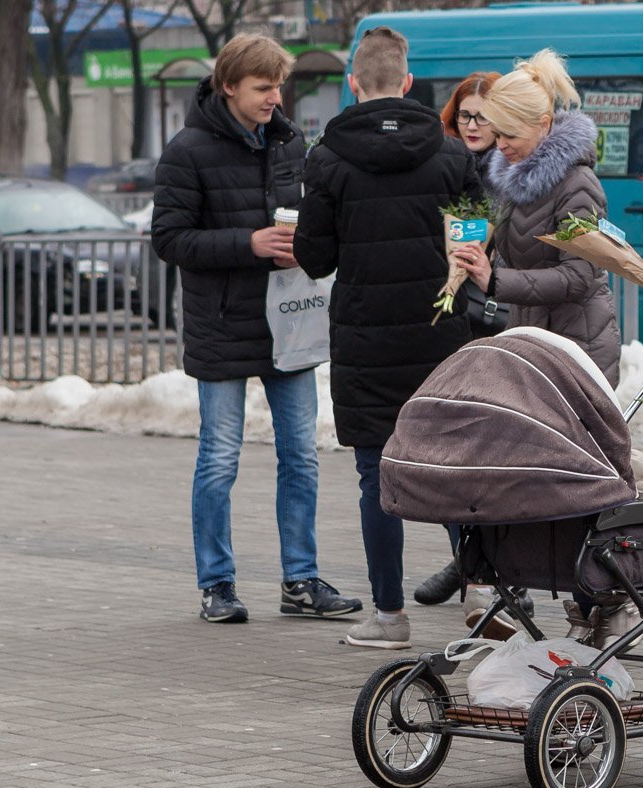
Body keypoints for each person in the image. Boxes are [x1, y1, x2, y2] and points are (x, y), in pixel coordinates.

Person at [151, 34, 362, 625]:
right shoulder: (187, 150)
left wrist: (308, 246)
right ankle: (216, 584)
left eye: (279, 86)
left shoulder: (291, 140)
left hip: (289, 323)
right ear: (229, 87)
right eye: (264, 87)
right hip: (221, 323)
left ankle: (300, 579)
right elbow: (168, 238)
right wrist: (248, 244)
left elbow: (313, 216)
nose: (276, 97)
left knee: (302, 455)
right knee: (220, 458)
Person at [293, 26, 478, 649]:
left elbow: (314, 258)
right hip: (443, 335)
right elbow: (476, 239)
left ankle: (390, 618)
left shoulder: (327, 159)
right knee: (455, 472)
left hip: (365, 340)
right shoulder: (453, 155)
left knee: (378, 477)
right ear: (406, 82)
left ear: (352, 85)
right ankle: (482, 600)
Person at [451, 49, 631, 647]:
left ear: (545, 125)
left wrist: (495, 281)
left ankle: (599, 603)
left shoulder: (578, 184)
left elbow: (581, 277)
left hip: (579, 347)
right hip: (533, 341)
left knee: (581, 476)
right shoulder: (514, 179)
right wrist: (479, 258)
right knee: (536, 471)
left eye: (510, 134)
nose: (498, 145)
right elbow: (519, 256)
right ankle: (552, 594)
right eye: (494, 133)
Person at [413, 71, 534, 632]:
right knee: (457, 448)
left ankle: (508, 576)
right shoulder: (444, 167)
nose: (474, 125)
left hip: (507, 314)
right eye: (465, 116)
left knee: (503, 449)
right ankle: (470, 564)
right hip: (456, 317)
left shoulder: (518, 173)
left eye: (484, 116)